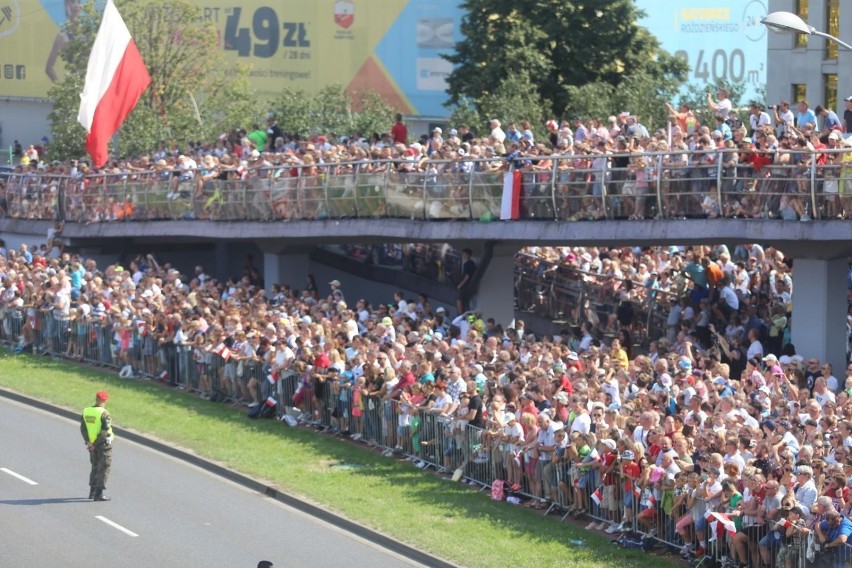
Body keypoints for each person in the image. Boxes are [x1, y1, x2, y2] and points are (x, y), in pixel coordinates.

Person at [80, 391, 114, 501]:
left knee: (94, 466)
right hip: (103, 445)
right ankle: (99, 494)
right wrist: (95, 444)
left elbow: (83, 428)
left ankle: (92, 492)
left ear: (96, 399)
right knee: (104, 467)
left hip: (91, 445)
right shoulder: (104, 413)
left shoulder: (86, 411)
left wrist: (89, 442)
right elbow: (104, 431)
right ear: (105, 400)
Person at [456, 248, 477, 315]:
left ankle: (460, 314)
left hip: (466, 285)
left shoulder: (468, 264)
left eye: (464, 254)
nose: (463, 255)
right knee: (466, 302)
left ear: (467, 255)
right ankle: (464, 313)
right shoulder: (472, 264)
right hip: (470, 285)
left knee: (459, 299)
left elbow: (467, 276)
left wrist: (460, 285)